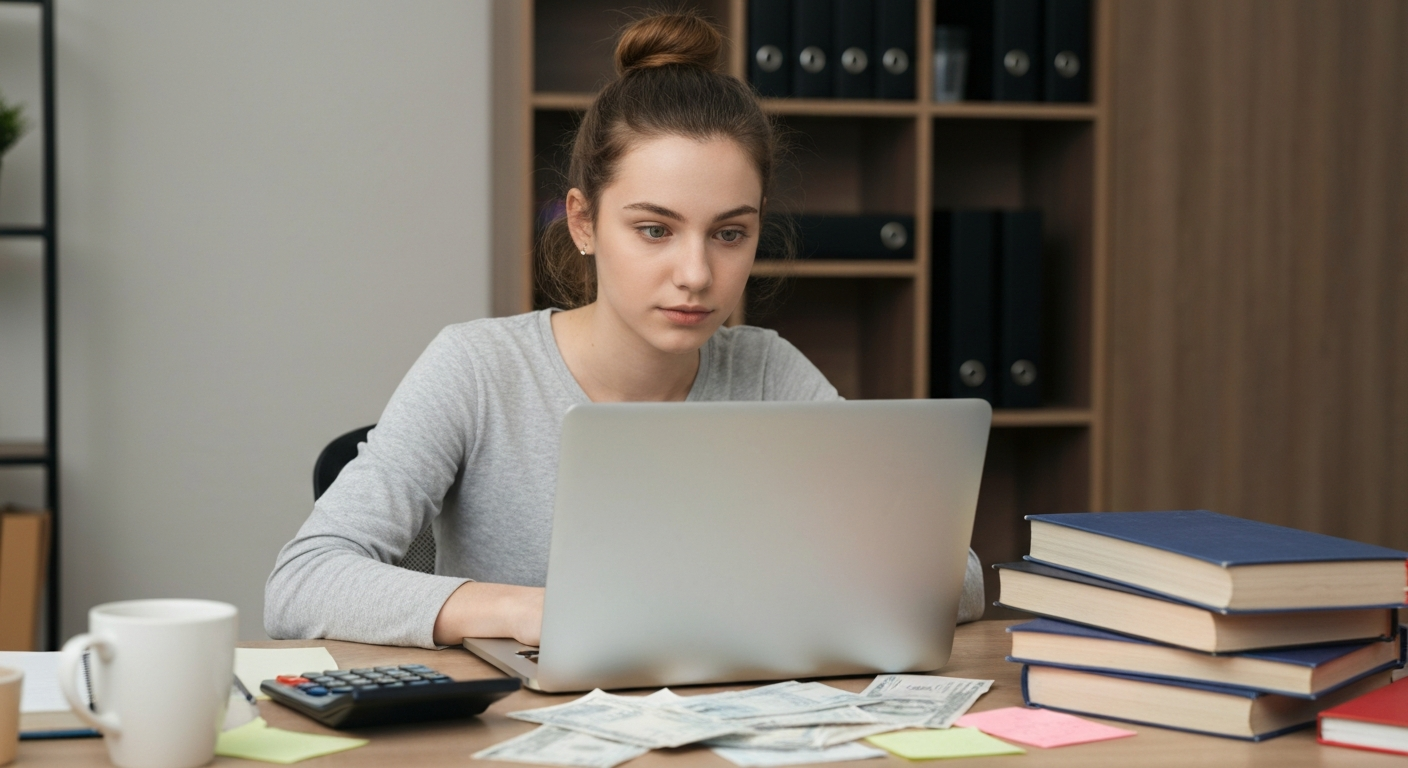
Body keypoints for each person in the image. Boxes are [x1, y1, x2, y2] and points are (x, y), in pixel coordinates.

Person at [264, 12, 985, 650]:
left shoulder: (769, 371)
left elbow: (957, 580)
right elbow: (303, 582)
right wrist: (527, 611)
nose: (696, 273)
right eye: (653, 230)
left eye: (730, 234)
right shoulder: (478, 368)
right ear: (583, 222)